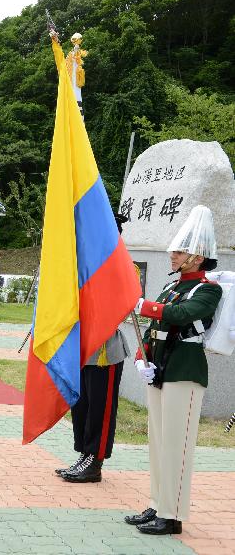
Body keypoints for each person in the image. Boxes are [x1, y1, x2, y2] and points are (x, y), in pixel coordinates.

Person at [124, 205, 222, 535]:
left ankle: (172, 515)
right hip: (161, 370)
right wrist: (141, 357)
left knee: (177, 446)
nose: (172, 254)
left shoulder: (207, 289)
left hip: (184, 372)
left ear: (196, 256)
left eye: (179, 250)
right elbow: (155, 328)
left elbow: (181, 315)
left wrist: (141, 304)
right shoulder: (172, 286)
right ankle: (158, 503)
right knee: (158, 442)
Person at [58, 214, 131, 484]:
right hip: (83, 347)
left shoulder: (123, 268)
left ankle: (95, 461)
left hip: (105, 351)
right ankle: (83, 455)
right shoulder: (83, 267)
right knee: (82, 405)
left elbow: (121, 306)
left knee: (100, 408)